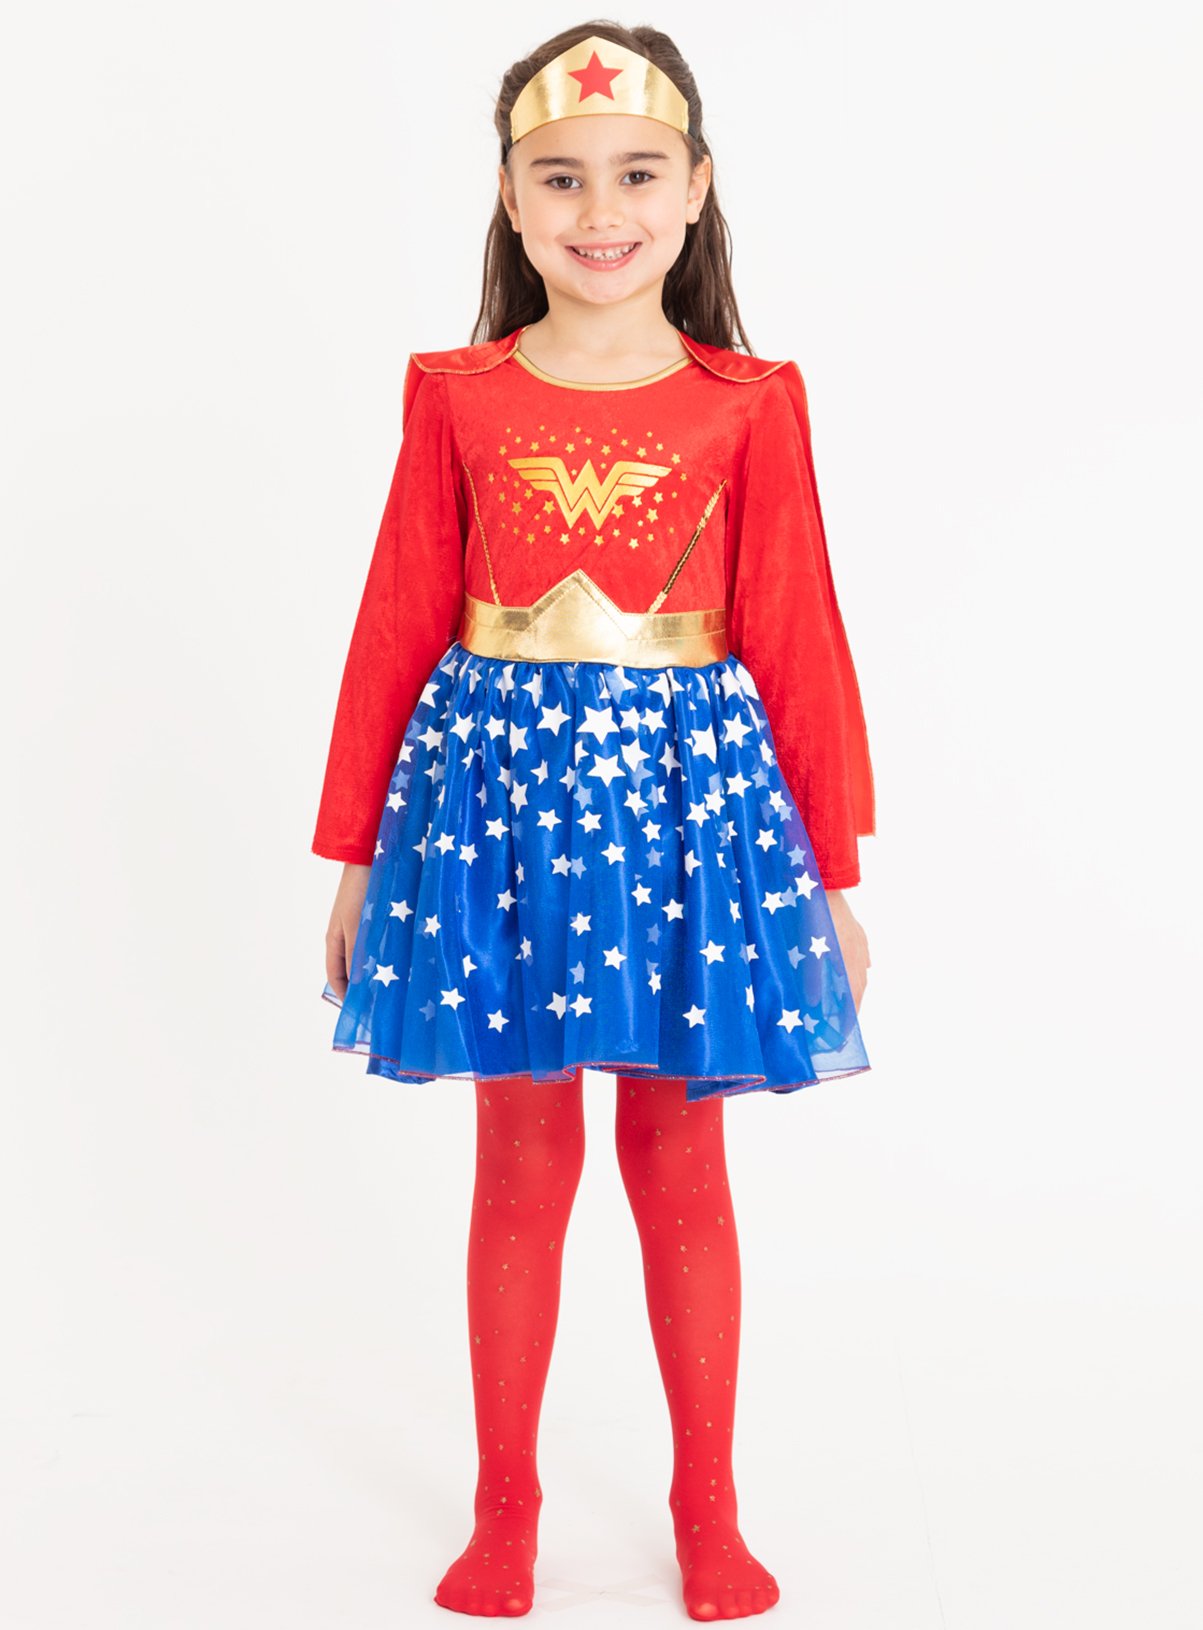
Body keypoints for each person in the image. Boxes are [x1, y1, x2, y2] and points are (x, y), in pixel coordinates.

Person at [311, 21, 876, 1621]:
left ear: (695, 190)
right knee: (520, 1149)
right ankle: (507, 1506)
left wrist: (830, 875)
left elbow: (799, 633)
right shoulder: (457, 395)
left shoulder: (748, 402)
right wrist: (356, 855)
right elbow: (397, 617)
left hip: (685, 818)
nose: (600, 210)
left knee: (680, 1146)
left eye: (636, 173)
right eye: (560, 178)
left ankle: (709, 1503)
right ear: (510, 196)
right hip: (490, 819)